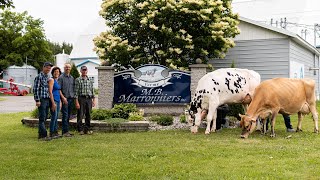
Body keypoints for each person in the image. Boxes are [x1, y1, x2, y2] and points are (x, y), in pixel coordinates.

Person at [33, 62, 53, 141]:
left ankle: (40, 134)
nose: (48, 69)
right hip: (42, 99)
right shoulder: (39, 77)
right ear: (43, 67)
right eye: (47, 67)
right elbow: (35, 89)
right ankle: (44, 135)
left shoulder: (47, 77)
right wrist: (37, 100)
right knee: (42, 117)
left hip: (47, 99)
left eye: (49, 68)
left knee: (44, 117)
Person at [75, 65, 95, 135]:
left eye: (85, 70)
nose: (84, 71)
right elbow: (76, 92)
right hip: (81, 99)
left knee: (88, 114)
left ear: (87, 71)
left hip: (89, 99)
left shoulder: (90, 80)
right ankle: (80, 129)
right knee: (80, 114)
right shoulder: (78, 80)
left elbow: (92, 90)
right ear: (80, 71)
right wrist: (77, 102)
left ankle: (87, 129)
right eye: (83, 70)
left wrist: (93, 100)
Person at [58, 63, 75, 137]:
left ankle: (66, 131)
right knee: (65, 115)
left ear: (70, 68)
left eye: (69, 67)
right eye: (66, 67)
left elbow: (73, 89)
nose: (67, 68)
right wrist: (63, 98)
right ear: (64, 68)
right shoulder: (61, 77)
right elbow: (59, 89)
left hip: (71, 99)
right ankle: (64, 132)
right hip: (65, 99)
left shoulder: (72, 78)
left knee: (68, 116)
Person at [48, 66, 64, 139]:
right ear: (53, 72)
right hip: (53, 100)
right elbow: (50, 92)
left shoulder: (57, 80)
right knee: (54, 117)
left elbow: (58, 91)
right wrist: (53, 103)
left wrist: (61, 101)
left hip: (57, 100)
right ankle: (52, 132)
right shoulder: (51, 80)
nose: (56, 73)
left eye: (58, 72)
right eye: (55, 72)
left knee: (56, 117)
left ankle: (55, 132)